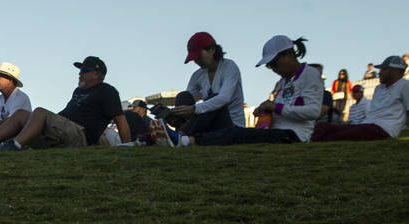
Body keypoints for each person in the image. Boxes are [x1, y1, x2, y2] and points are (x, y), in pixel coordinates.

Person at [193, 36, 322, 146]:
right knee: (237, 133)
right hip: (275, 131)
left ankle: (189, 140)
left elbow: (314, 111)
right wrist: (265, 111)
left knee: (235, 133)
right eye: (269, 66)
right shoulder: (282, 83)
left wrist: (276, 107)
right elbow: (281, 109)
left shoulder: (309, 74)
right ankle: (188, 137)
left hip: (293, 135)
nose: (273, 69)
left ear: (288, 54)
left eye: (274, 64)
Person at [0, 56, 129, 151]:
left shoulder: (107, 91)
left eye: (84, 70)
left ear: (97, 74)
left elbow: (120, 120)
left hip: (80, 135)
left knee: (39, 112)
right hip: (63, 132)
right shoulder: (78, 91)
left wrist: (126, 145)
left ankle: (14, 145)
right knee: (22, 115)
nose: (80, 73)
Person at [312, 56, 409, 142]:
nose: (380, 73)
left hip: (384, 129)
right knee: (323, 127)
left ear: (395, 71)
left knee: (341, 135)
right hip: (367, 124)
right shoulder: (379, 88)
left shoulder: (405, 85)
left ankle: (313, 139)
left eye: (383, 69)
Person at [170, 32, 245, 135]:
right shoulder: (198, 75)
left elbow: (224, 98)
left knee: (214, 99)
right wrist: (175, 113)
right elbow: (187, 98)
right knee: (183, 96)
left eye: (199, 56)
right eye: (194, 58)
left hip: (230, 124)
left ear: (212, 50)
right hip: (207, 122)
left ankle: (184, 133)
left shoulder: (229, 67)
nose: (197, 61)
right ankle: (181, 128)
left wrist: (194, 109)